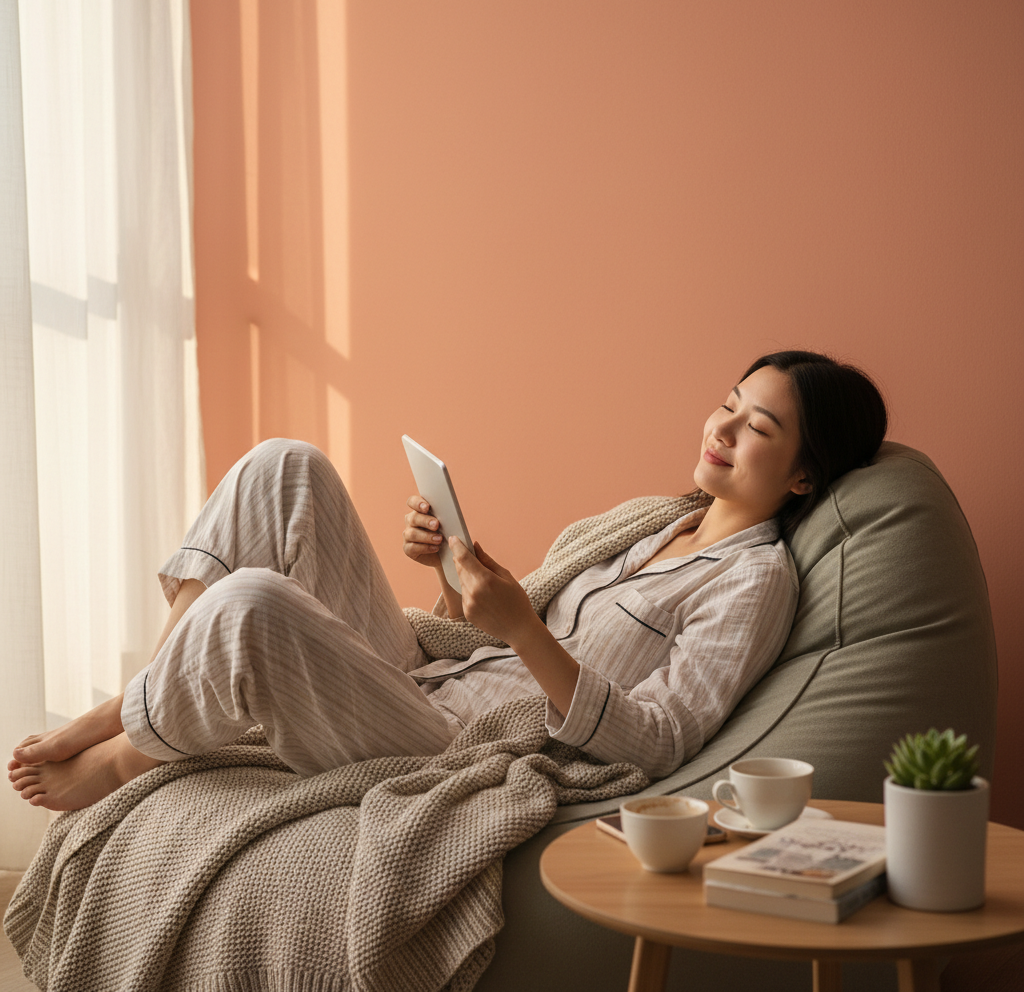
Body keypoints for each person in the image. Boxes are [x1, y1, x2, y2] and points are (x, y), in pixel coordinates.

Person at [8, 350, 887, 811]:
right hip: (430, 680)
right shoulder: (654, 522)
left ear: (803, 477)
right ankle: (142, 696)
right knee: (284, 466)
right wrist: (449, 577)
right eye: (728, 403)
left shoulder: (755, 581)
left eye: (758, 427)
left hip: (459, 746)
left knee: (251, 605)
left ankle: (125, 752)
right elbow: (482, 639)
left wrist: (524, 632)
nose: (723, 428)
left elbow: (662, 739)